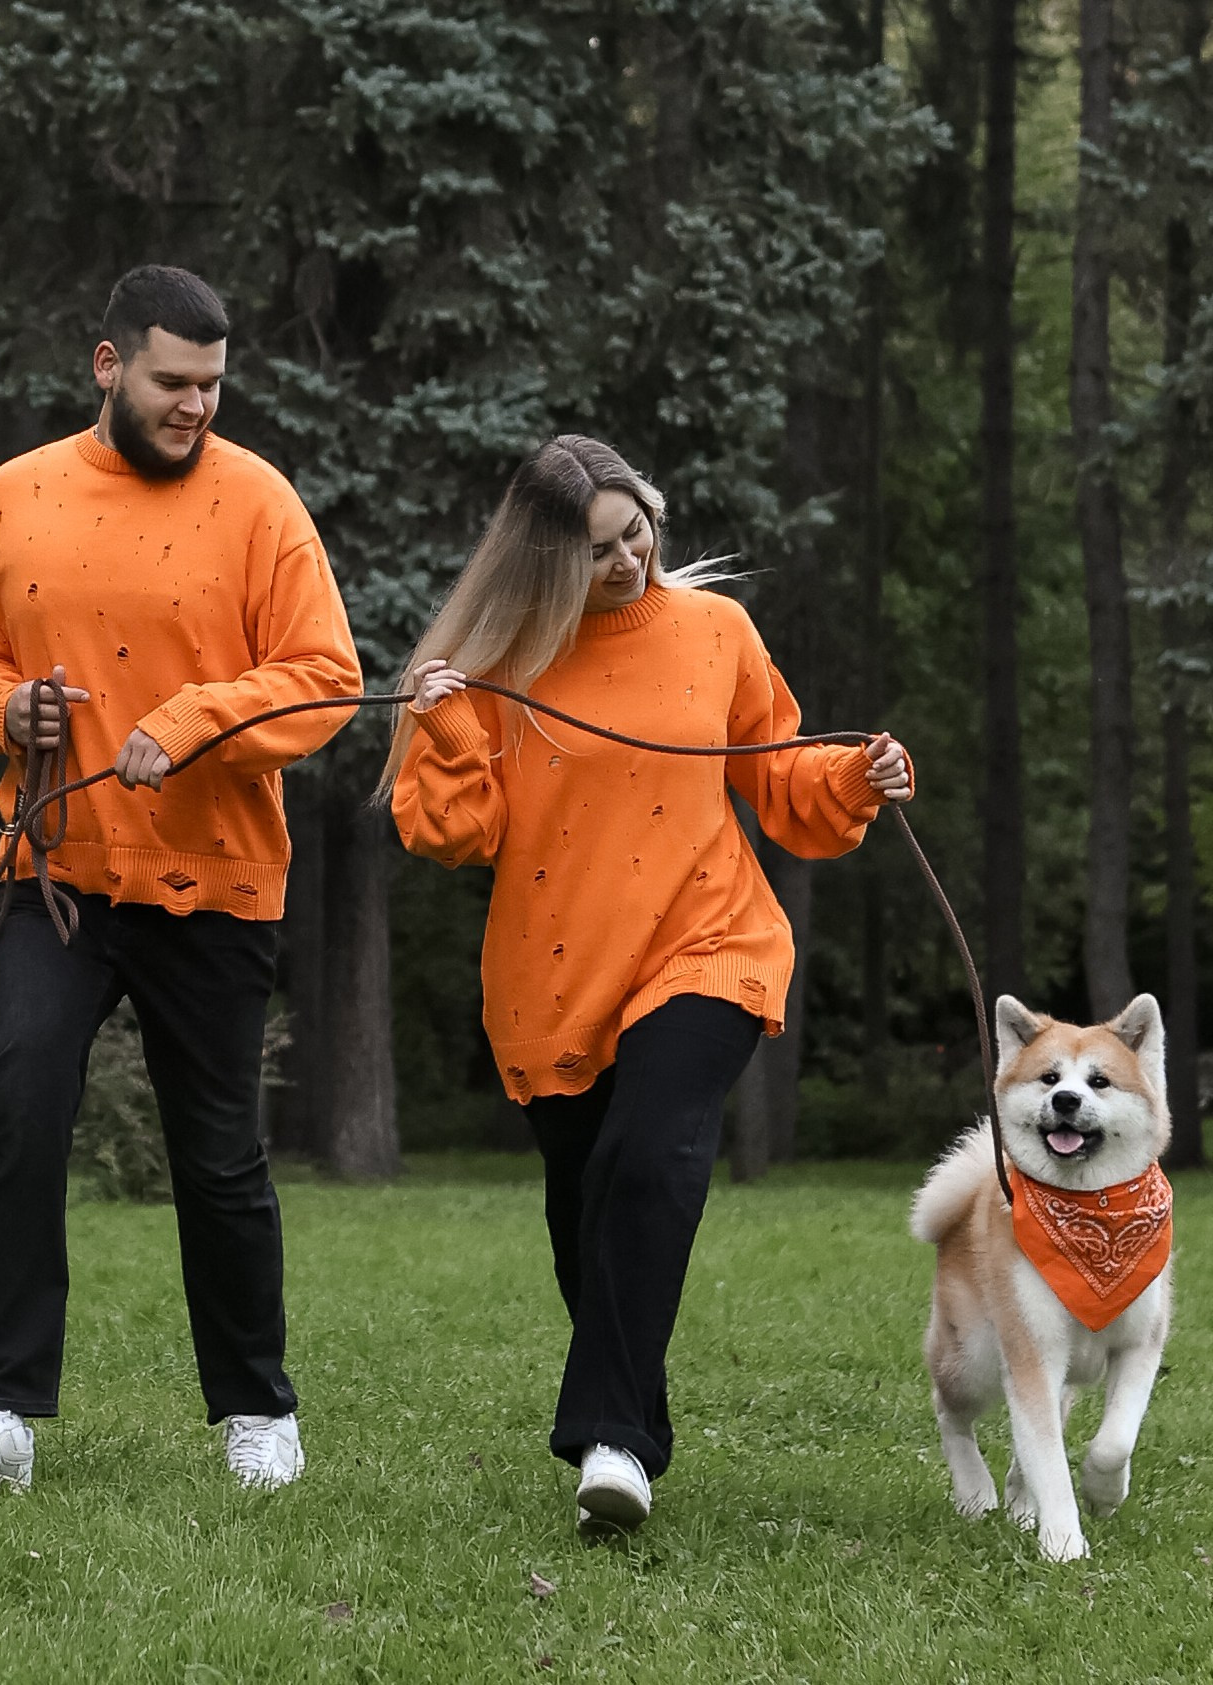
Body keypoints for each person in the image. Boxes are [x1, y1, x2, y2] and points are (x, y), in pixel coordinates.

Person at [385, 435, 914, 1534]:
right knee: (588, 1208)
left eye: (637, 534)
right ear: (542, 562)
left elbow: (776, 770)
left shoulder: (716, 630)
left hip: (707, 940)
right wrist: (440, 720)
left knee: (651, 1150)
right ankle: (632, 1419)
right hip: (557, 971)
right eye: (596, 551)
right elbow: (455, 831)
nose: (626, 561)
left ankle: (612, 1440)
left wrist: (857, 772)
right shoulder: (498, 663)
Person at [0, 265, 360, 1493]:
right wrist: (6, 705)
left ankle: (258, 1412)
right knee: (19, 1106)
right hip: (51, 865)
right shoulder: (16, 493)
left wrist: (202, 716)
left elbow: (324, 672)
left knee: (216, 1152)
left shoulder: (262, 504)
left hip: (212, 877)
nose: (195, 406)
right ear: (108, 365)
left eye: (213, 385)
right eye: (172, 381)